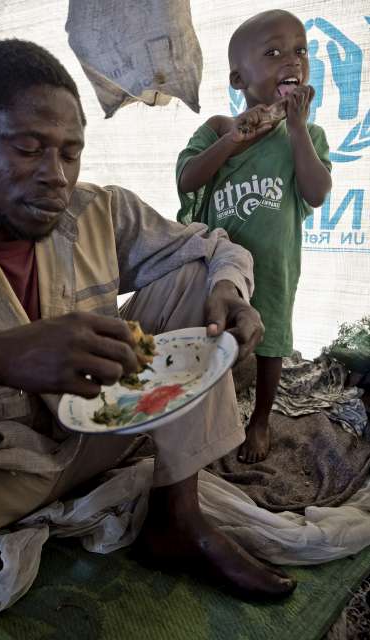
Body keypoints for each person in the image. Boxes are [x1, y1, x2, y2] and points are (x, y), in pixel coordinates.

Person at [0, 39, 296, 602]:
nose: (55, 176)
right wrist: (1, 356)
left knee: (195, 273)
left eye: (69, 152)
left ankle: (176, 519)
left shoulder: (97, 210)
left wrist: (230, 291)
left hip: (96, 444)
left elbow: (216, 247)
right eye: (29, 148)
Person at [176, 9, 332, 464]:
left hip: (274, 263)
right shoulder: (219, 129)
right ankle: (205, 412)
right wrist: (234, 141)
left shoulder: (308, 135)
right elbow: (188, 179)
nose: (293, 60)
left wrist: (298, 128)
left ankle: (260, 419)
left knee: (272, 342)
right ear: (239, 77)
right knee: (211, 334)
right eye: (274, 52)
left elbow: (317, 192)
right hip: (218, 265)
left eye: (301, 50)